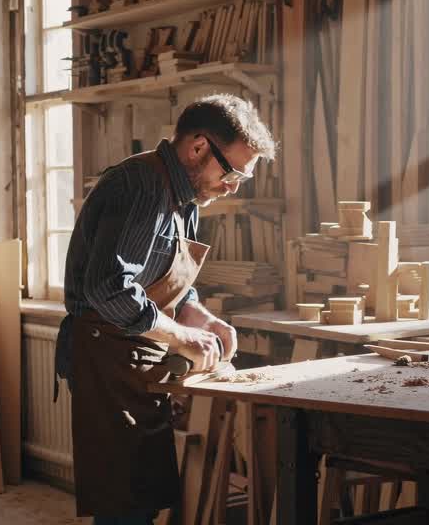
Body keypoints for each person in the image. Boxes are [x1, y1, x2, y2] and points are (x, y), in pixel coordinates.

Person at [54, 93, 277, 524]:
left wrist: (202, 317)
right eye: (231, 172)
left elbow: (165, 283)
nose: (232, 186)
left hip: (139, 356)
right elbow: (110, 289)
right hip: (106, 358)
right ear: (198, 147)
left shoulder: (186, 196)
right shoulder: (140, 186)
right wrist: (181, 337)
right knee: (124, 505)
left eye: (241, 180)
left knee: (144, 496)